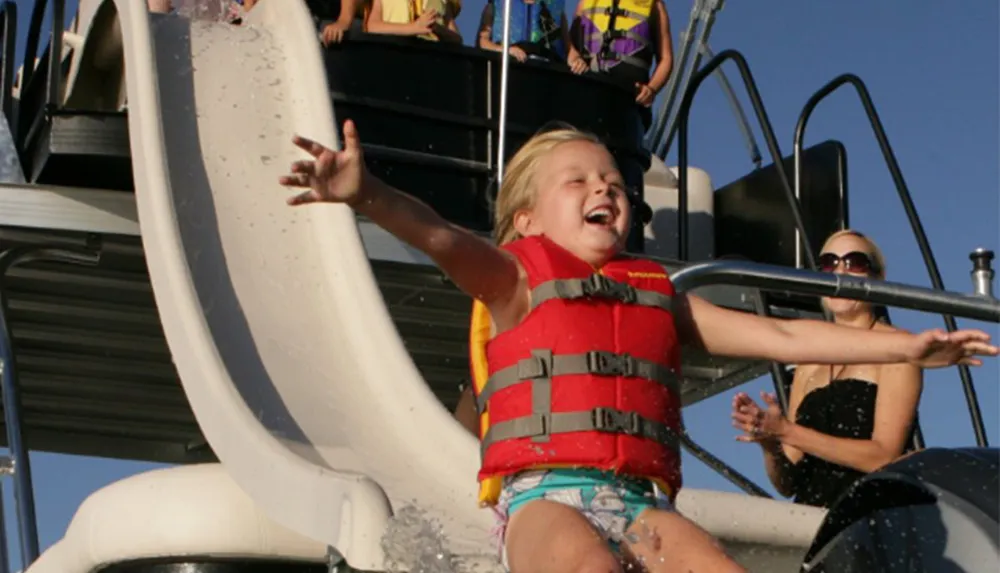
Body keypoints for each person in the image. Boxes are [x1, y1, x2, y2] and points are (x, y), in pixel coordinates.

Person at [279, 124, 997, 573]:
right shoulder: (515, 281)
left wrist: (910, 347)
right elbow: (437, 233)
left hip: (641, 501)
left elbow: (781, 334)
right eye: (581, 181)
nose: (605, 189)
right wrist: (367, 193)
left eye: (615, 184)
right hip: (543, 503)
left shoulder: (659, 294)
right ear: (527, 218)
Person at [731, 230, 930, 509]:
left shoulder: (899, 350)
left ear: (877, 277)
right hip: (813, 524)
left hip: (874, 516)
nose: (841, 271)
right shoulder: (808, 363)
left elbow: (883, 457)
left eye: (855, 262)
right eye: (829, 263)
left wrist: (787, 432)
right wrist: (770, 443)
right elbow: (787, 484)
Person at [568, 0, 673, 109]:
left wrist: (651, 89)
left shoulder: (656, 6)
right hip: (586, 88)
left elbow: (666, 58)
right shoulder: (585, 3)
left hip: (629, 99)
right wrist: (574, 58)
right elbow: (569, 44)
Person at [477, 0, 576, 65]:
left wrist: (576, 60)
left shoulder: (555, 9)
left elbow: (569, 48)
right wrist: (506, 50)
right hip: (512, 65)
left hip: (548, 66)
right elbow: (483, 43)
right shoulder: (494, 6)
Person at [365, 0, 463, 44]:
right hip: (393, 54)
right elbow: (372, 26)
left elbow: (456, 39)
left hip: (432, 60)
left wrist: (437, 28)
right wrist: (414, 27)